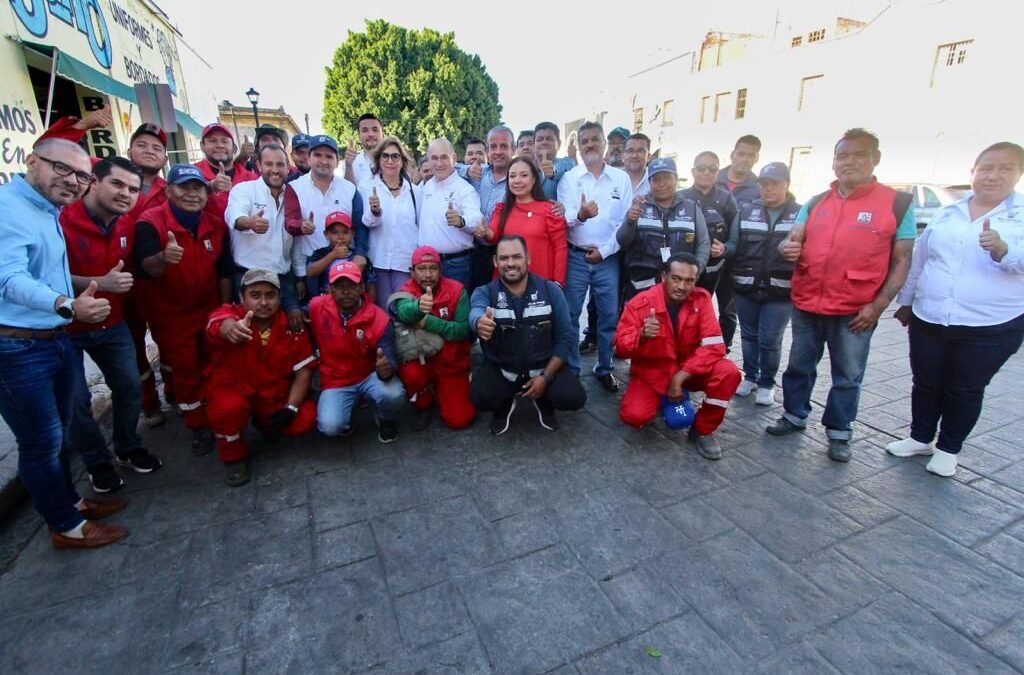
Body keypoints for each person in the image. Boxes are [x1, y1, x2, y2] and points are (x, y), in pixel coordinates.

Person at [0, 138, 128, 548]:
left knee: (59, 432)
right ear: (33, 161)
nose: (72, 182)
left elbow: (49, 274)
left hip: (50, 337)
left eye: (81, 176)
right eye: (62, 170)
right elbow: (9, 279)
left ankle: (70, 502)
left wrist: (70, 299)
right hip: (17, 346)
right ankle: (66, 527)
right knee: (40, 442)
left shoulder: (46, 210)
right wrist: (66, 305)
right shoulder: (8, 208)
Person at [767, 128, 916, 462]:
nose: (849, 162)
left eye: (858, 154)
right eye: (842, 156)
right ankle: (794, 414)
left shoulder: (897, 203)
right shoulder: (817, 202)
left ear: (875, 158)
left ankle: (839, 431)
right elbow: (790, 241)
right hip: (807, 303)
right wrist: (786, 247)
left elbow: (903, 258)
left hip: (855, 309)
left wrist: (878, 306)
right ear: (834, 162)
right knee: (799, 365)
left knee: (848, 375)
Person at [887, 142, 1024, 477]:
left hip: (991, 324)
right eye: (986, 168)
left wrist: (1004, 252)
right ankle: (920, 437)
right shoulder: (949, 211)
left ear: (1018, 174)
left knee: (964, 387)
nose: (993, 176)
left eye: (1005, 168)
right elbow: (921, 259)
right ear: (973, 172)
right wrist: (906, 302)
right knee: (926, 381)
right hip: (930, 316)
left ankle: (949, 448)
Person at [60, 157, 162, 494]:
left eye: (133, 189)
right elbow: (42, 274)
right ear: (94, 181)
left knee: (130, 387)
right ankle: (96, 463)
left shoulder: (125, 225)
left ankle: (128, 446)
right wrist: (99, 281)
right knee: (76, 402)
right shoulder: (60, 220)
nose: (126, 194)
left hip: (112, 323)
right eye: (117, 184)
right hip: (65, 330)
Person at [134, 164, 234, 455]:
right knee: (186, 372)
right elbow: (145, 267)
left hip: (208, 307)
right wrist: (164, 257)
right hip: (171, 314)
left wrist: (224, 309)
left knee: (215, 364)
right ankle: (197, 425)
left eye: (198, 187)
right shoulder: (150, 222)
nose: (192, 194)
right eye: (184, 187)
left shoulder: (215, 224)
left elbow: (224, 270)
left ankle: (218, 413)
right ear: (168, 191)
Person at [614, 253, 741, 459]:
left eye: (689, 281)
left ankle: (703, 430)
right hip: (652, 373)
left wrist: (680, 376)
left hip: (689, 371)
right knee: (635, 416)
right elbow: (620, 347)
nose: (682, 286)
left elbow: (715, 345)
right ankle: (662, 399)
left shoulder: (702, 299)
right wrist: (642, 336)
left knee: (728, 372)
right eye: (676, 278)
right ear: (664, 276)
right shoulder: (640, 303)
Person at [206, 269, 317, 487]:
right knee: (228, 409)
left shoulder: (291, 326)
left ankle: (264, 422)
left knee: (306, 417)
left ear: (279, 297)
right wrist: (230, 329)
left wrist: (291, 408)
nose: (263, 302)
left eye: (270, 295)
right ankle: (234, 456)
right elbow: (217, 324)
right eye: (255, 295)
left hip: (270, 391)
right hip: (234, 389)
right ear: (241, 297)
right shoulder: (230, 316)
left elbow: (304, 370)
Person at [469, 236, 586, 434]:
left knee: (573, 397)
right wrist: (479, 322)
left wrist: (546, 377)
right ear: (495, 262)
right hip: (503, 369)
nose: (511, 263)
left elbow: (565, 338)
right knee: (480, 397)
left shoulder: (551, 291)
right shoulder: (484, 292)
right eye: (504, 258)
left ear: (528, 259)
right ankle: (505, 401)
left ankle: (543, 398)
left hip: (542, 368)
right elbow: (475, 311)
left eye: (517, 257)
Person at [557, 121, 634, 392]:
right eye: (584, 141)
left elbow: (625, 224)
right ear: (578, 147)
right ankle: (573, 369)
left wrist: (604, 251)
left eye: (594, 140)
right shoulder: (570, 178)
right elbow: (564, 218)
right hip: (576, 257)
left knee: (608, 316)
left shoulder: (621, 179)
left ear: (604, 143)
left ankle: (604, 367)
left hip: (607, 259)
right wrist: (580, 215)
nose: (589, 145)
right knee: (570, 314)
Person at [730, 162, 802, 406]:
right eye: (764, 184)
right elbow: (734, 245)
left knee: (770, 340)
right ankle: (750, 377)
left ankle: (766, 383)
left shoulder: (800, 213)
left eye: (775, 183)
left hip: (780, 289)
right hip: (746, 286)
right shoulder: (746, 210)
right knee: (749, 336)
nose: (768, 189)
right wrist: (722, 250)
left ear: (786, 185)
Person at [309, 260, 405, 442]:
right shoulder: (316, 307)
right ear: (330, 289)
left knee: (393, 394)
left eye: (352, 285)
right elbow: (291, 314)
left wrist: (387, 370)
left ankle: (385, 418)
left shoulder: (379, 318)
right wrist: (292, 310)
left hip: (368, 375)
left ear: (362, 287)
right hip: (335, 379)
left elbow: (390, 357)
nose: (346, 291)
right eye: (339, 286)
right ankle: (346, 417)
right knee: (331, 426)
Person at [390, 246, 475, 431]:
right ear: (412, 272)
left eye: (433, 268)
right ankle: (424, 402)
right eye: (421, 269)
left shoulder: (457, 290)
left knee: (460, 419)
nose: (427, 274)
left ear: (440, 269)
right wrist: (418, 308)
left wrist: (428, 321)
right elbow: (404, 312)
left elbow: (462, 330)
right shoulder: (406, 291)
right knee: (411, 374)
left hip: (450, 362)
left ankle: (447, 390)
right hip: (421, 361)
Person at [123, 124, 173, 427]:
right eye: (142, 145)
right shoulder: (113, 181)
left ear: (165, 157)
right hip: (118, 282)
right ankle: (148, 402)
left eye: (156, 148)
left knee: (167, 341)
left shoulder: (170, 191)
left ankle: (175, 393)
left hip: (156, 281)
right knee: (132, 348)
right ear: (130, 151)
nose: (150, 151)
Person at [225, 144, 305, 332]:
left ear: (288, 167)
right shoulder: (245, 189)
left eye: (280, 164)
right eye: (269, 164)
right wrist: (248, 222)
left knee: (292, 328)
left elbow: (295, 242)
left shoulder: (293, 195)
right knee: (250, 331)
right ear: (259, 165)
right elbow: (233, 215)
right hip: (249, 276)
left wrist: (300, 277)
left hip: (282, 278)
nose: (275, 170)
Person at [283, 134, 367, 297]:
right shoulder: (294, 188)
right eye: (318, 155)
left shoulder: (349, 189)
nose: (323, 161)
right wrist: (300, 226)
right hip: (312, 268)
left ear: (337, 161)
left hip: (345, 265)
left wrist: (360, 254)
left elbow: (360, 226)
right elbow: (289, 222)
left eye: (329, 156)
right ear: (308, 158)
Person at [618, 158, 709, 304]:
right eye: (656, 179)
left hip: (680, 288)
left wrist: (693, 273)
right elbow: (622, 241)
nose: (662, 184)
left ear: (676, 179)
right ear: (650, 182)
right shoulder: (639, 205)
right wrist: (630, 221)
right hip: (642, 286)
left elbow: (704, 244)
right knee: (644, 326)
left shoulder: (691, 208)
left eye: (667, 178)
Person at [483, 158, 568, 285]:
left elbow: (560, 248)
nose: (517, 180)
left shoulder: (550, 210)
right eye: (512, 176)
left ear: (534, 180)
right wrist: (483, 230)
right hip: (507, 281)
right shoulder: (502, 209)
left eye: (524, 175)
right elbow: (493, 236)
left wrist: (558, 282)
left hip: (540, 283)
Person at [714, 135, 763, 352]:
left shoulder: (759, 187)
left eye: (750, 155)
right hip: (706, 256)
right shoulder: (713, 176)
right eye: (741, 154)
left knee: (728, 309)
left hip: (737, 259)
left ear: (756, 158)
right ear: (732, 154)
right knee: (697, 304)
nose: (744, 159)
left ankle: (722, 349)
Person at [418, 138, 484, 290]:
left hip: (455, 266)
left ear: (453, 158)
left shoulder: (464, 189)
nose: (439, 163)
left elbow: (476, 218)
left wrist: (461, 220)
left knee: (456, 312)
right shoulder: (427, 186)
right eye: (434, 158)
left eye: (444, 157)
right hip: (427, 264)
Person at [360, 136, 418, 305]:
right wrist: (375, 212)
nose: (390, 161)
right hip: (378, 261)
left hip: (405, 262)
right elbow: (365, 222)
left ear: (402, 160)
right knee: (382, 313)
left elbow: (419, 225)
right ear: (378, 159)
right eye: (385, 156)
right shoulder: (366, 186)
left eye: (395, 156)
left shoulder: (415, 192)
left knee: (402, 313)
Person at [466, 126, 516, 291]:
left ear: (513, 149)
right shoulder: (478, 174)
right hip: (474, 250)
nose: (498, 151)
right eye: (493, 147)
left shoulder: (518, 179)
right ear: (487, 151)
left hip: (503, 250)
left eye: (504, 146)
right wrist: (467, 170)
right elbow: (453, 168)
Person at [306, 211, 376, 301]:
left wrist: (369, 308)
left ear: (352, 233)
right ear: (326, 234)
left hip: (353, 305)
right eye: (335, 232)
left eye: (345, 232)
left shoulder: (358, 257)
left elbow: (371, 285)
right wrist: (333, 255)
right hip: (325, 303)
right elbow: (311, 272)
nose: (340, 237)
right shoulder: (320, 253)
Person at [195, 123, 258, 217]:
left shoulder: (252, 179)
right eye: (212, 141)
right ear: (202, 146)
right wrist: (210, 187)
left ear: (234, 148)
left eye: (224, 141)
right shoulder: (192, 174)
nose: (220, 145)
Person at [533, 121, 576, 200]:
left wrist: (553, 172)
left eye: (549, 139)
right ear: (533, 145)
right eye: (540, 139)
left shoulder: (566, 163)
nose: (544, 142)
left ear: (559, 144)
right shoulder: (527, 168)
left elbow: (569, 165)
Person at [345, 113, 383, 187]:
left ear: (382, 133)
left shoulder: (395, 159)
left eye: (375, 130)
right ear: (359, 135)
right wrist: (349, 165)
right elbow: (348, 192)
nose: (371, 134)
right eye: (365, 130)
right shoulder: (351, 162)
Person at [623, 133, 652, 198]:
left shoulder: (655, 180)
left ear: (649, 157)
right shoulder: (612, 179)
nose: (634, 155)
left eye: (640, 151)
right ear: (622, 156)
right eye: (630, 151)